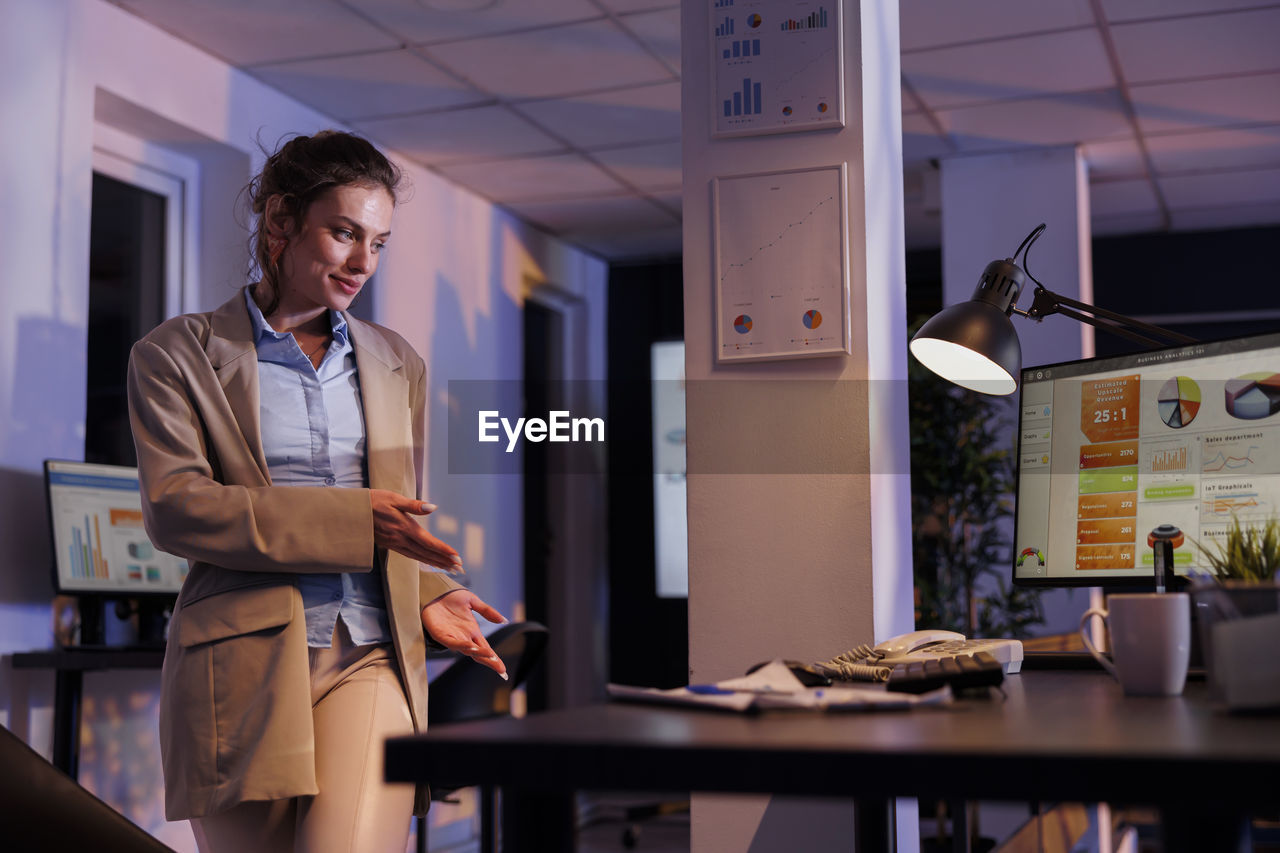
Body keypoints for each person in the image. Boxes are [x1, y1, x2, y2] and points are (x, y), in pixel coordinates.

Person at [126, 130, 508, 853]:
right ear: (279, 222)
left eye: (379, 242)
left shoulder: (399, 362)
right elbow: (179, 508)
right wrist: (351, 520)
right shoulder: (176, 355)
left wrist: (426, 591)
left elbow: (393, 517)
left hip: (370, 653)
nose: (364, 262)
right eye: (344, 233)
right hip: (238, 661)